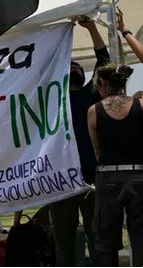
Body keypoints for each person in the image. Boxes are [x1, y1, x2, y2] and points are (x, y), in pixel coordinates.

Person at [50, 16, 109, 266]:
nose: (74, 69)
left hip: (90, 178)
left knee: (97, 239)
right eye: (70, 67)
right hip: (60, 180)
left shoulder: (90, 95)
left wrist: (92, 28)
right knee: (63, 241)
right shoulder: (52, 99)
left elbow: (104, 62)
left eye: (78, 68)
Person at [87, 63, 143, 266]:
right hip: (138, 176)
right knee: (141, 238)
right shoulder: (140, 105)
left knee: (106, 241)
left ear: (102, 83)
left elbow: (97, 149)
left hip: (108, 177)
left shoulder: (94, 111)